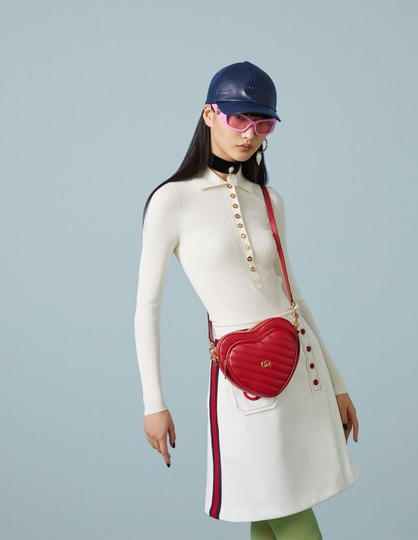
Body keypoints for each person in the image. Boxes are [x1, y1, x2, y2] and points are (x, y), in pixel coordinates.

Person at [134, 61, 361, 540]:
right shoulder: (172, 200)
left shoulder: (268, 199)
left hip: (300, 370)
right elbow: (147, 309)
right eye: (238, 118)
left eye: (263, 124)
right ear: (209, 114)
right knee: (281, 505)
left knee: (271, 509)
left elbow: (293, 295)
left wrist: (338, 383)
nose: (249, 134)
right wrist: (154, 402)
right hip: (243, 379)